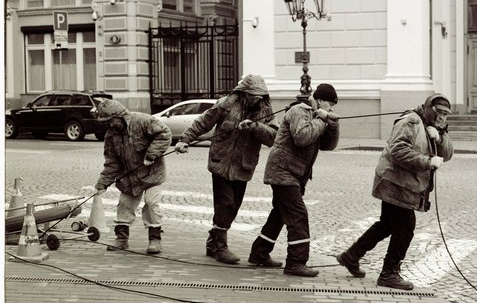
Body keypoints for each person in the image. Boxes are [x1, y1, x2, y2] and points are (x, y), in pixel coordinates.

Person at [336, 93, 454, 290]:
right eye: (438, 113)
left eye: (445, 115)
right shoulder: (411, 121)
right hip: (394, 182)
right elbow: (397, 151)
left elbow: (448, 154)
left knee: (386, 224)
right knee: (406, 227)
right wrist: (427, 161)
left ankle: (351, 256)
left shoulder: (434, 127)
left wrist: (440, 137)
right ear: (428, 109)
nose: (442, 118)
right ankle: (389, 273)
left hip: (402, 183)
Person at [174, 74, 279, 265]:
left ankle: (213, 241)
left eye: (259, 95)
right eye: (252, 95)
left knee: (234, 207)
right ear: (243, 93)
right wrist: (184, 140)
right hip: (220, 163)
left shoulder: (266, 110)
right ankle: (220, 248)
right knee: (225, 204)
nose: (256, 99)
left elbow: (273, 138)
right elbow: (202, 122)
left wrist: (255, 127)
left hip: (244, 165)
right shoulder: (226, 104)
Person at [248, 83, 340, 277]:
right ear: (321, 100)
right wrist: (322, 120)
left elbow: (328, 146)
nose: (331, 108)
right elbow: (302, 137)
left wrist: (332, 124)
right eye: (330, 104)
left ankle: (259, 253)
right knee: (298, 216)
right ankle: (296, 262)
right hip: (283, 172)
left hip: (294, 174)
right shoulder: (300, 111)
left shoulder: (316, 115)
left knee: (280, 214)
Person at [94, 99, 172, 254]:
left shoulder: (142, 121)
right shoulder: (110, 136)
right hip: (129, 178)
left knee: (151, 203)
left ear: (119, 116)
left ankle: (155, 239)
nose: (109, 125)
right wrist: (102, 183)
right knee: (124, 205)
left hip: (152, 174)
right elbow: (111, 162)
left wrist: (152, 154)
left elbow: (165, 134)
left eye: (110, 121)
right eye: (106, 123)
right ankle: (121, 239)